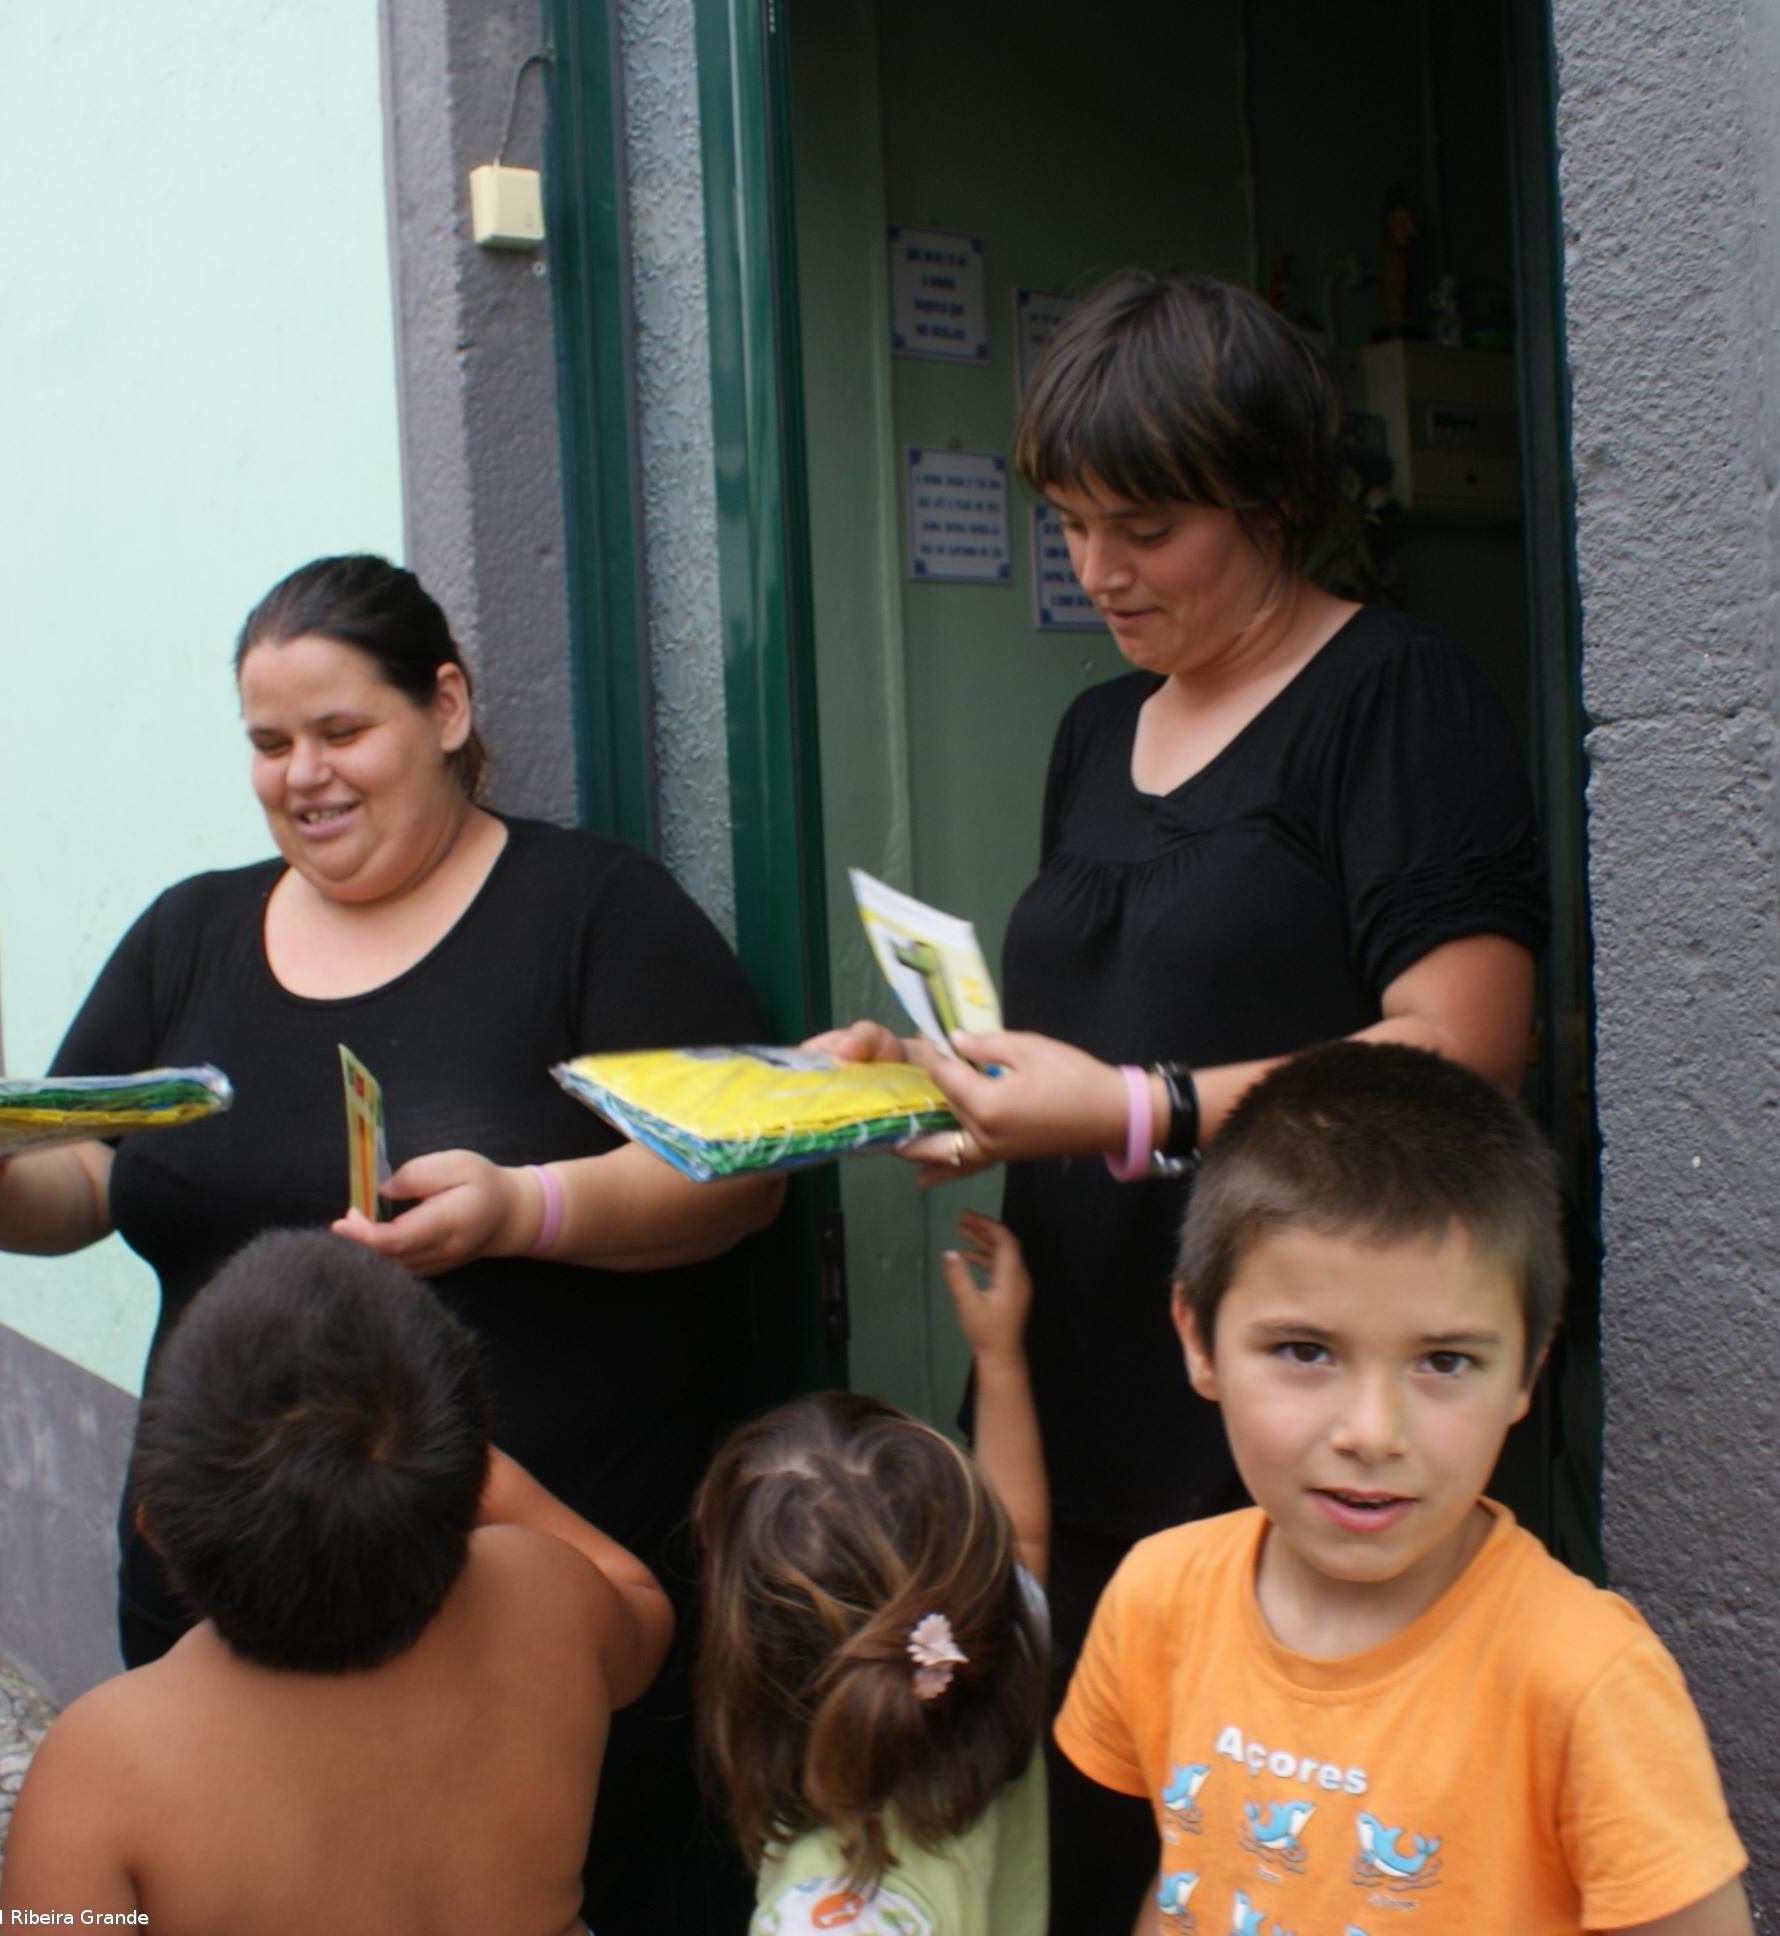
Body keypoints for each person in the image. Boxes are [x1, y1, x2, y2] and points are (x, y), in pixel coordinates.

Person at [815, 270, 1547, 1921]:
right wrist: (919, 1074)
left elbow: (1465, 1039)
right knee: (1103, 1829)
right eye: (1070, 522)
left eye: (1143, 525)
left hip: (1288, 1396)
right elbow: (1091, 1029)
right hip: (1077, 1373)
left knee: (1272, 1856)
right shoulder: (1096, 732)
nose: (1095, 570)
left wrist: (1137, 1113)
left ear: (1276, 498)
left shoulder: (1395, 695)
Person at [0, 553, 781, 1930]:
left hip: (524, 1592)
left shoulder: (594, 911)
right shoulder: (191, 932)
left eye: (341, 731)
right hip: (227, 1588)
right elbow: (84, 1176)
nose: (302, 775)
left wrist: (529, 1208)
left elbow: (740, 1184)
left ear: (445, 707)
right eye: (269, 744)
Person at [1057, 1042, 1750, 1936]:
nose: (1373, 1434)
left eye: (1445, 1361)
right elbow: (1189, 1875)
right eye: (1306, 1351)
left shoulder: (1585, 1682)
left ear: (1526, 1371)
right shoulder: (1157, 1600)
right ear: (1198, 1338)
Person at [0, 1230, 673, 1935]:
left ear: (154, 1530)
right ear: (469, 1472)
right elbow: (645, 1612)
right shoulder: (545, 1594)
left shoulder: (106, 1761)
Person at [694, 1211, 1050, 1936]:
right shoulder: (1004, 1646)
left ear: (750, 1666)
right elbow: (1028, 1540)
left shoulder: (817, 1916)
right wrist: (999, 1356)